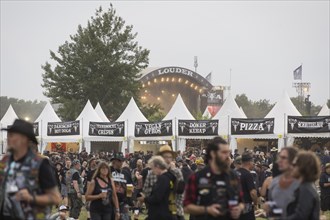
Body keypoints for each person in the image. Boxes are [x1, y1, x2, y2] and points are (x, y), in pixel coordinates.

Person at [0, 119, 61, 220]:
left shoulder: (40, 163)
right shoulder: (5, 161)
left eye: (12, 135)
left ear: (24, 138)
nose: (8, 139)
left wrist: (31, 198)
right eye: (8, 135)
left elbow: (55, 198)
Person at [184, 137, 244, 220]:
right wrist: (207, 210)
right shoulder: (197, 177)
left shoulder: (233, 176)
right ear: (213, 154)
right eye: (224, 152)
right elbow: (187, 207)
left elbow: (241, 202)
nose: (227, 156)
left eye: (228, 153)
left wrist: (239, 209)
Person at [143, 145, 185, 220]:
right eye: (165, 157)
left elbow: (181, 193)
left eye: (170, 157)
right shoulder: (152, 173)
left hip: (175, 212)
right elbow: (146, 192)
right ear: (160, 158)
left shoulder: (177, 172)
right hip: (157, 213)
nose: (168, 160)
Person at [285, 151, 320, 220]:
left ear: (303, 167)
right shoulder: (305, 187)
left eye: (294, 165)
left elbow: (300, 216)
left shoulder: (306, 189)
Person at [137, 156, 174, 220]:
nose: (152, 171)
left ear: (157, 166)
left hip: (160, 214)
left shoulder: (163, 179)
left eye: (152, 168)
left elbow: (157, 198)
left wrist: (144, 199)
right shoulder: (169, 177)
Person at [267, 147, 299, 218]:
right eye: (279, 158)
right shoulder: (274, 183)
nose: (279, 161)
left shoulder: (303, 184)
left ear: (294, 160)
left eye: (284, 158)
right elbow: (276, 212)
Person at [237, 152, 258, 220]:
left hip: (236, 207)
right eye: (253, 162)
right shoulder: (248, 175)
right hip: (246, 208)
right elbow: (253, 193)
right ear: (249, 162)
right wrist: (255, 203)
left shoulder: (235, 173)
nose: (254, 164)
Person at [110, 152, 130, 220]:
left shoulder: (125, 172)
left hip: (123, 202)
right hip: (110, 202)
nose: (121, 162)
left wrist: (129, 196)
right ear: (114, 161)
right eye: (119, 161)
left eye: (122, 161)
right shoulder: (108, 171)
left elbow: (130, 185)